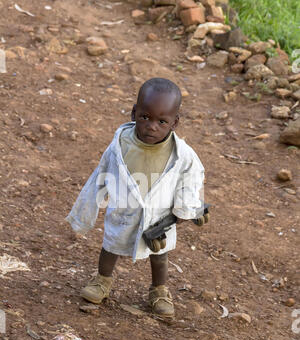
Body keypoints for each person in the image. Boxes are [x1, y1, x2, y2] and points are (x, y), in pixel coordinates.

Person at [66, 77, 207, 318]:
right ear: (134, 113)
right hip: (124, 210)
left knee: (160, 255)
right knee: (111, 246)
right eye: (145, 117)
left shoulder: (182, 154)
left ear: (175, 122)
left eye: (162, 121)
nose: (152, 126)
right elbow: (100, 176)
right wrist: (85, 213)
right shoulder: (121, 145)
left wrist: (187, 209)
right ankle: (102, 281)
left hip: (161, 216)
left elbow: (192, 177)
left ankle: (159, 291)